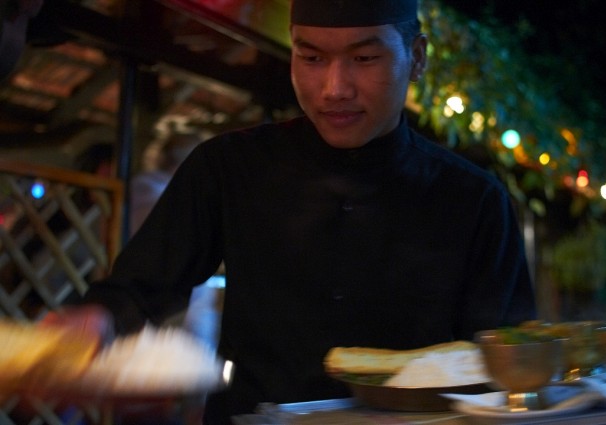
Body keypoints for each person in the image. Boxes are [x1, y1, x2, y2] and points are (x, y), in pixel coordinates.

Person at [43, 0, 537, 423]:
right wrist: (94, 322)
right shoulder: (228, 167)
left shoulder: (474, 199)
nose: (334, 87)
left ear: (417, 58)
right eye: (312, 57)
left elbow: (504, 358)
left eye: (364, 57)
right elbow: (141, 285)